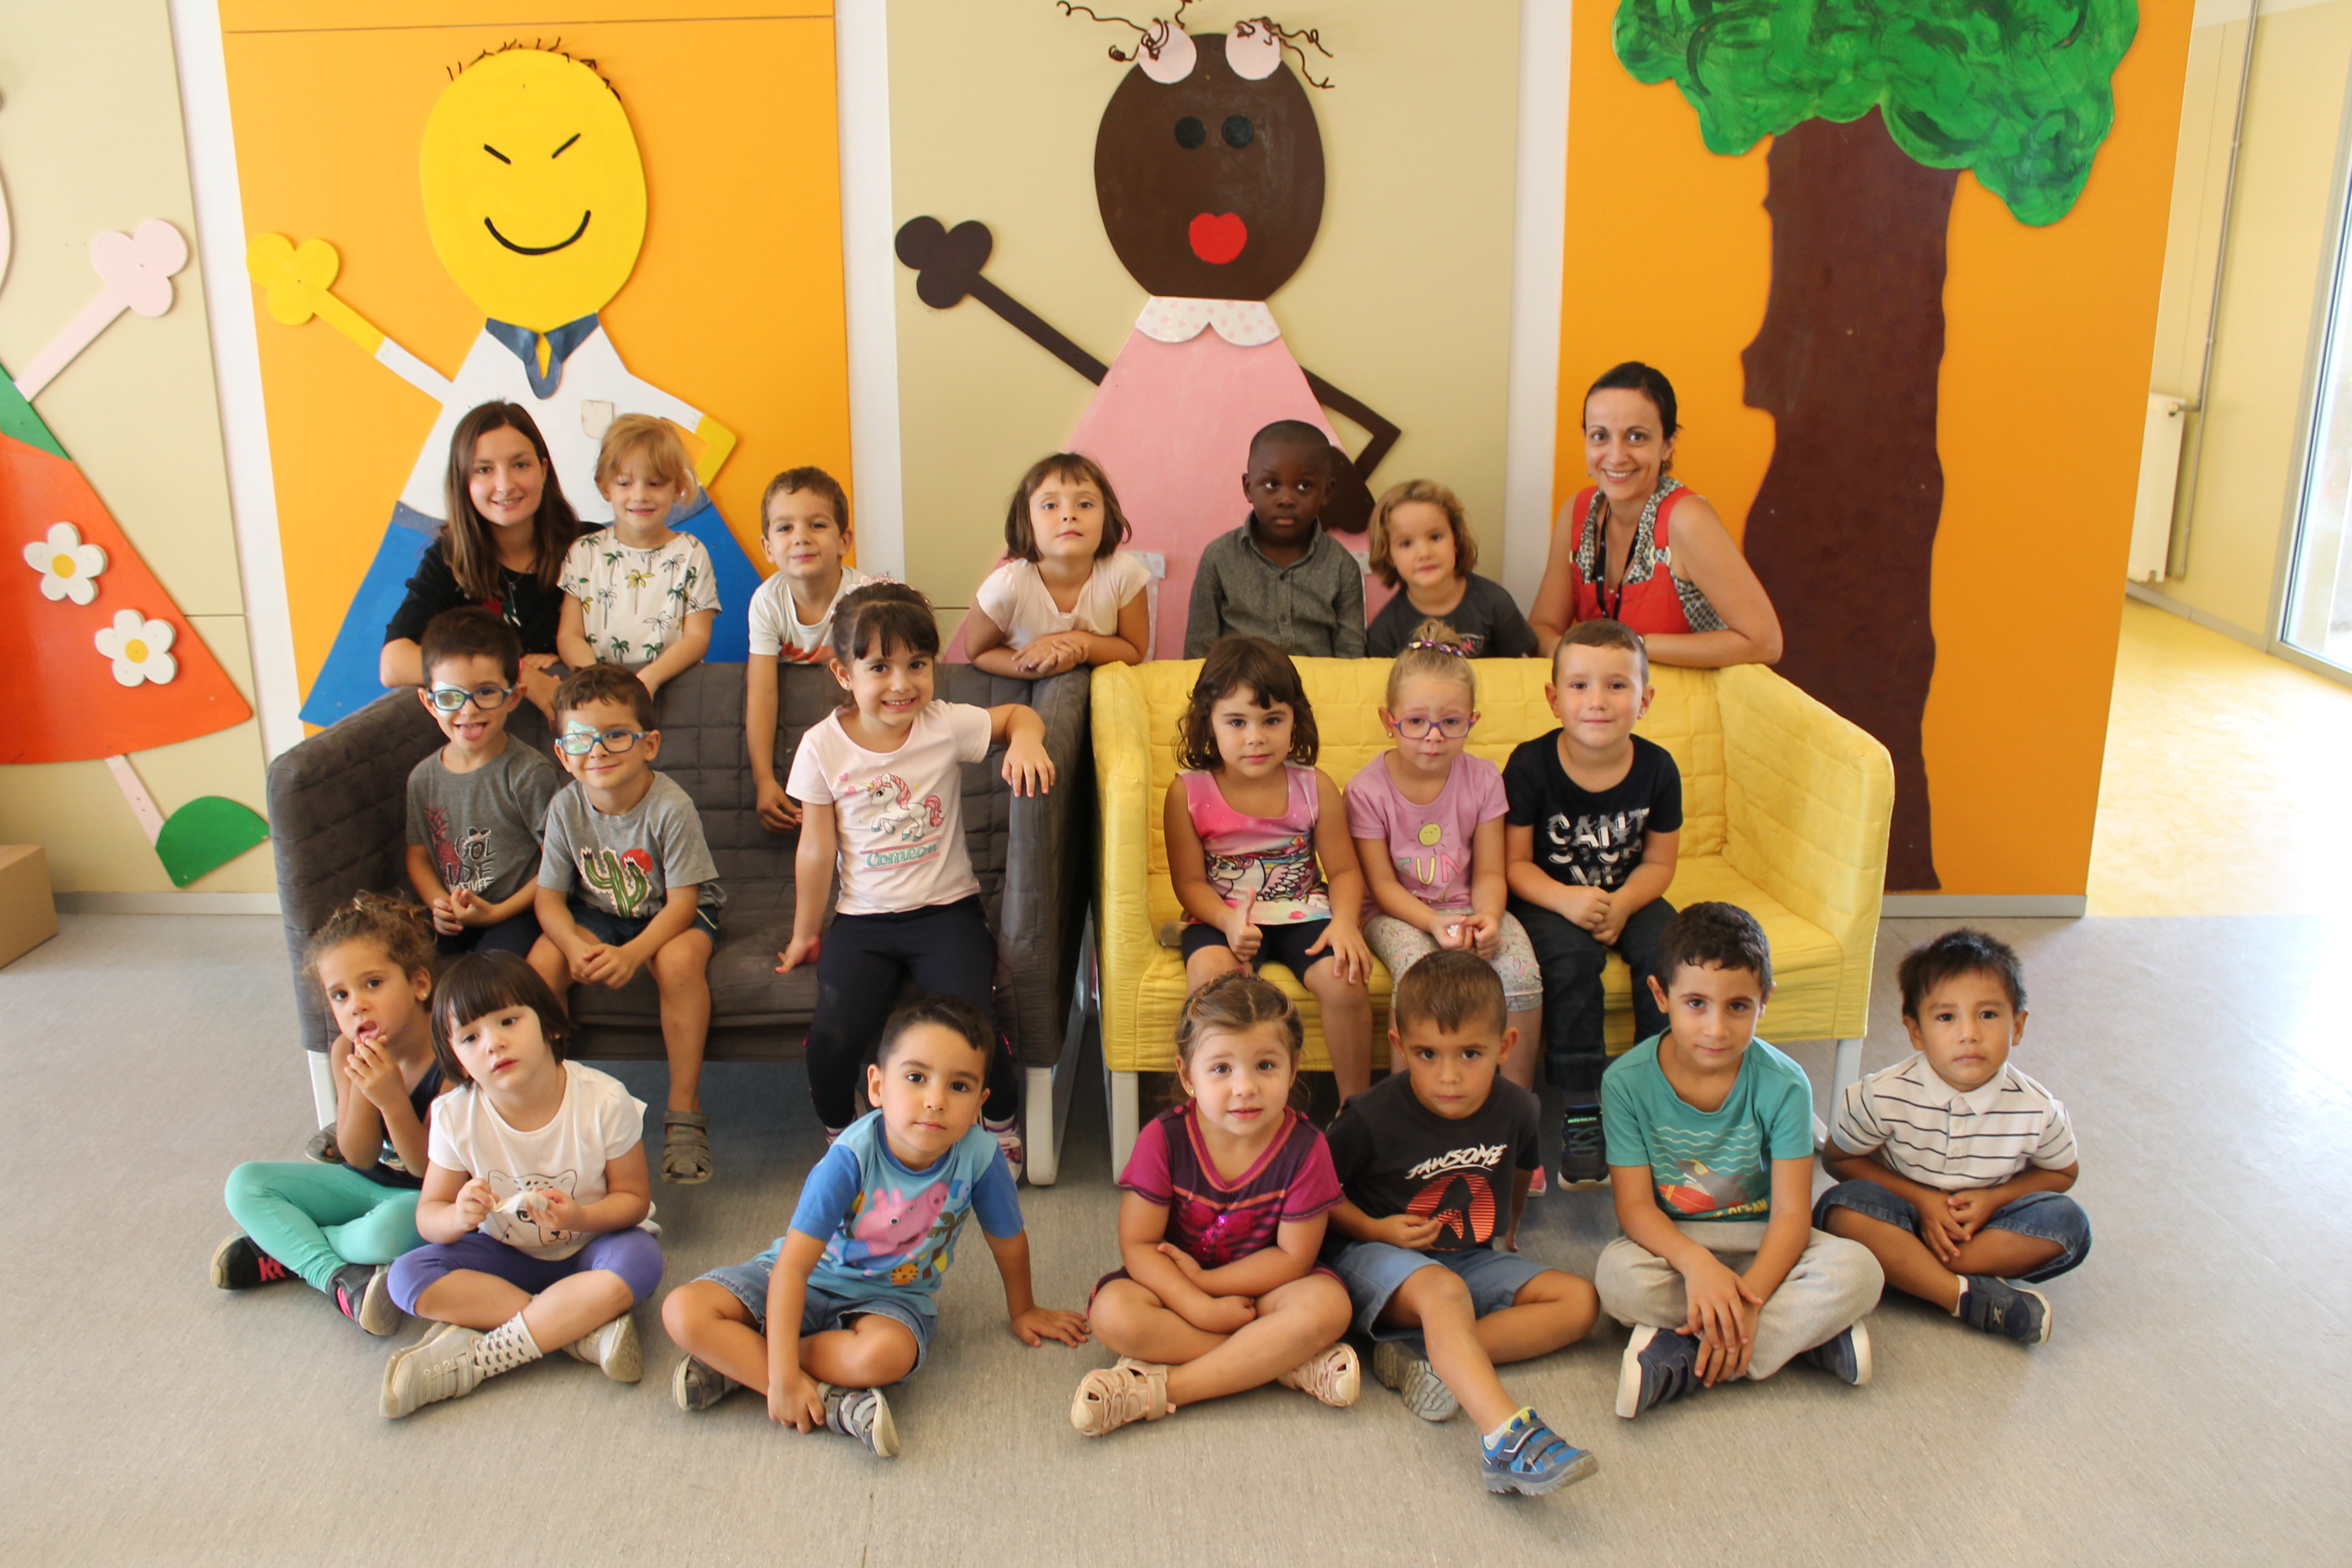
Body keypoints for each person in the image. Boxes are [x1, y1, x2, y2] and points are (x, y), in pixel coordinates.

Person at [662, 996, 1088, 1457]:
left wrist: (1024, 1309)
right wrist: (781, 1379)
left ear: (980, 1104)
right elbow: (793, 1269)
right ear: (878, 1086)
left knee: (885, 1357)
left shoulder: (981, 1157)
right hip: (803, 1277)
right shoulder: (849, 1156)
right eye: (916, 1077)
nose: (936, 1100)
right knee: (683, 1310)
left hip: (891, 1300)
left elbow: (1008, 1241)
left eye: (959, 1086)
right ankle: (826, 1398)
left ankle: (740, 1362)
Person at [777, 582, 1053, 1177]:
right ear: (844, 673)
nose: (902, 683)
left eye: (917, 665)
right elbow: (816, 849)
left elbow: (1018, 716)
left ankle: (999, 1123)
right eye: (880, 667)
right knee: (832, 1037)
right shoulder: (821, 746)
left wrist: (1027, 740)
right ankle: (841, 1133)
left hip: (946, 912)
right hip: (862, 921)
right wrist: (805, 932)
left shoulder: (942, 724)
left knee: (972, 1022)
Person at [1322, 952, 1599, 1496]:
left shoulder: (1519, 1107)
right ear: (1400, 1045)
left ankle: (1424, 1356)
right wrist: (1376, 1230)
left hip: (1466, 1255)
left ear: (1506, 1047)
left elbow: (1518, 1170)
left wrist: (1511, 1231)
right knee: (1443, 1290)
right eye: (1427, 1054)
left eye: (1470, 1054)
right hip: (1372, 1256)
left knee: (1580, 1301)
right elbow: (1311, 1195)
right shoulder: (1369, 1114)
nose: (1448, 1076)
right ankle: (1506, 1437)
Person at [1597, 903, 1884, 1419]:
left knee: (1861, 1271)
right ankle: (1808, 1340)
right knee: (1616, 1278)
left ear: (1764, 1001)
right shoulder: (1625, 1082)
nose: (1716, 1028)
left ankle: (1690, 1355)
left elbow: (1793, 1215)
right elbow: (1635, 1209)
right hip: (1677, 1247)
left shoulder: (1786, 1083)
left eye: (1737, 1007)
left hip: (1765, 1241)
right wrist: (1697, 1265)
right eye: (1696, 1004)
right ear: (1661, 996)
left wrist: (1750, 1299)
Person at [1071, 973, 1358, 1435]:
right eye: (1222, 1069)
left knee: (1329, 1307)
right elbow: (1139, 1245)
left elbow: (1294, 1258)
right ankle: (1280, 1360)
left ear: (1293, 1069)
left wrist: (1208, 1282)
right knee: (1113, 1313)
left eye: (1266, 1066)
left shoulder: (1308, 1147)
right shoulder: (1162, 1139)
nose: (1245, 1087)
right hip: (1175, 1289)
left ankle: (1162, 1389)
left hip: (1265, 1288)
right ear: (1188, 1076)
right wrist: (1198, 1305)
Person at [379, 952, 663, 1419]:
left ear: (549, 1025)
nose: (493, 1044)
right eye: (471, 1038)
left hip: (591, 1248)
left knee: (643, 1260)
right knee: (406, 1277)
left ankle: (482, 1359)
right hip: (506, 1256)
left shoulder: (604, 1100)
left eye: (509, 1021)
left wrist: (581, 1217)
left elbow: (634, 1201)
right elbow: (429, 1217)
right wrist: (458, 1215)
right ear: (456, 1058)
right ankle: (577, 1330)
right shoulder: (454, 1115)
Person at [1816, 929, 2087, 1344]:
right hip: (1904, 1213)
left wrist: (1994, 1200)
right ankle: (1961, 1296)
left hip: (1989, 1224)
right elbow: (1840, 1160)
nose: (1969, 1034)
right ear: (1916, 1031)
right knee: (1840, 1208)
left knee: (2068, 1223)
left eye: (1988, 1015)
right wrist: (1924, 1201)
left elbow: (2063, 1173)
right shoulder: (1881, 1095)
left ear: (2017, 1026)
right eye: (1946, 1017)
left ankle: (1914, 1273)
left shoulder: (2038, 1109)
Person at [527, 663, 723, 1186]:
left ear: (649, 744)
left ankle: (683, 1109)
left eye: (615, 735)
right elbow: (549, 901)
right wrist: (573, 947)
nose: (598, 751)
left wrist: (634, 955)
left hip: (672, 910)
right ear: (563, 754)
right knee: (542, 963)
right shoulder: (565, 808)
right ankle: (552, 1099)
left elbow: (683, 904)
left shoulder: (671, 807)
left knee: (677, 963)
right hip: (598, 911)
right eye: (580, 740)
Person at [216, 894, 446, 1335]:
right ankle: (338, 1277)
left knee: (393, 1230)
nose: (356, 1005)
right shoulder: (345, 1051)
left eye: (373, 984)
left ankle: (288, 1250)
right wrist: (364, 1085)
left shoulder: (450, 1057)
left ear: (419, 984)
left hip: (422, 1199)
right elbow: (357, 1155)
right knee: (245, 1184)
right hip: (359, 1184)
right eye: (340, 995)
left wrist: (393, 1100)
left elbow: (426, 1168)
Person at [1503, 619, 1680, 1184]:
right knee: (1571, 963)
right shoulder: (1529, 765)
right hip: (1547, 897)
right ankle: (1582, 1107)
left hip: (1630, 892)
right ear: (1554, 699)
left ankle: (1657, 1095)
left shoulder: (1658, 768)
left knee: (1671, 952)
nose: (1597, 701)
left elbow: (1660, 864)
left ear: (1645, 700)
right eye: (1579, 685)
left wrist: (1624, 903)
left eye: (1617, 685)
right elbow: (1514, 865)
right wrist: (1565, 900)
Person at [1166, 636, 1374, 1100]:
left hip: (1304, 911)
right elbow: (1189, 883)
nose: (1255, 737)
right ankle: (1221, 1103)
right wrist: (1227, 921)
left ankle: (1356, 1110)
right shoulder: (1188, 793)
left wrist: (1345, 923)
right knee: (1213, 984)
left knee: (1346, 981)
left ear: (1295, 719)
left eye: (1272, 720)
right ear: (1209, 722)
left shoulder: (1316, 786)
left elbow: (1343, 871)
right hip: (1222, 917)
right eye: (1237, 722)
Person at [1347, 625, 1543, 1110]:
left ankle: (1517, 1112)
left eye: (1451, 722)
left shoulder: (1485, 779)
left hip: (1468, 905)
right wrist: (1434, 924)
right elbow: (1381, 886)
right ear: (1389, 721)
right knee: (1418, 975)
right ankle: (1406, 1114)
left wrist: (1489, 918)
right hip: (1396, 913)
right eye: (1416, 721)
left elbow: (1491, 873)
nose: (1433, 737)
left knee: (1522, 973)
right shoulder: (1366, 790)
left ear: (1472, 721)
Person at [1527, 362, 1782, 667]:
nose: (1616, 456)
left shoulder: (1687, 519)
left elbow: (1765, 643)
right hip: (1612, 697)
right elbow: (1541, 627)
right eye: (1600, 436)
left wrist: (1632, 647)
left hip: (1696, 696)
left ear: (1667, 445)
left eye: (1636, 437)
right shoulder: (1577, 513)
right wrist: (1567, 652)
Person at [380, 401, 583, 717]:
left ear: (543, 470)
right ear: (464, 481)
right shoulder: (449, 560)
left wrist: (565, 658)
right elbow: (393, 664)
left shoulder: (590, 546)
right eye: (484, 470)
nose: (505, 485)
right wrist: (519, 673)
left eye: (520, 465)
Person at [403, 609, 565, 957]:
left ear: (514, 697)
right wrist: (439, 903)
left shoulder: (529, 773)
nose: (469, 710)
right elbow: (418, 857)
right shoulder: (422, 779)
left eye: (486, 692)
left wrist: (496, 913)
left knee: (491, 973)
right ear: (429, 702)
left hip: (519, 912)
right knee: (400, 956)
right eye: (450, 696)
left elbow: (557, 862)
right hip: (456, 914)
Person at [746, 466, 873, 834]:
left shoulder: (865, 598)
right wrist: (764, 780)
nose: (801, 538)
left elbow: (876, 687)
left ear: (844, 541)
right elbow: (762, 693)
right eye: (785, 528)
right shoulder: (767, 603)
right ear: (768, 548)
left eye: (817, 525)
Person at [555, 413, 718, 696]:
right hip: (599, 691)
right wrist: (598, 680)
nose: (640, 495)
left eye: (655, 483)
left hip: (671, 686)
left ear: (678, 487)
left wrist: (651, 678)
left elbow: (698, 637)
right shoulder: (584, 552)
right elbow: (569, 636)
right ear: (605, 486)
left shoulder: (692, 552)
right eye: (625, 483)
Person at [1184, 420, 1366, 659]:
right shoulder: (1219, 557)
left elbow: (1352, 659)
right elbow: (1198, 653)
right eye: (1272, 484)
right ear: (1248, 488)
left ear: (1327, 492)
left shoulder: (1342, 565)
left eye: (1305, 486)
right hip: (1238, 682)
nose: (1286, 499)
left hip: (1317, 682)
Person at [964, 452, 1151, 678]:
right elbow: (977, 652)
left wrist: (1075, 642)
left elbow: (1135, 650)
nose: (1069, 515)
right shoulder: (1004, 588)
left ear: (1107, 516)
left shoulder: (1125, 574)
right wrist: (1038, 670)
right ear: (1026, 520)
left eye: (1085, 504)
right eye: (1050, 505)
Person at [1363, 481, 1537, 658]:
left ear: (1457, 540)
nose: (1424, 553)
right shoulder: (1384, 631)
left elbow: (1521, 669)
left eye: (1435, 537)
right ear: (1389, 557)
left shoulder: (1496, 603)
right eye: (1406, 543)